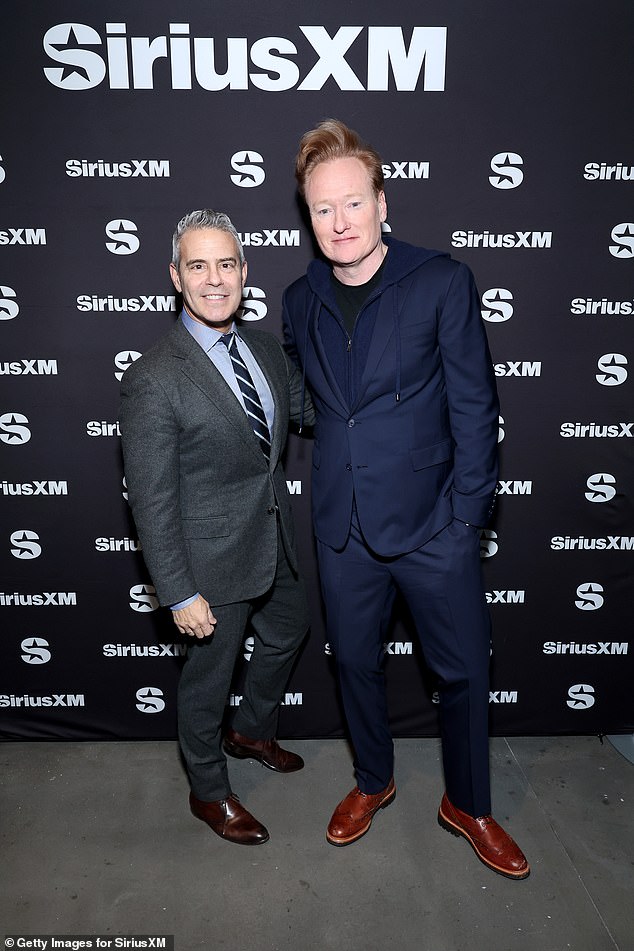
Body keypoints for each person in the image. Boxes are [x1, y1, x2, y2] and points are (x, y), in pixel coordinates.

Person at [282, 120, 529, 879]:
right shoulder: (297, 299)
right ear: (309, 216)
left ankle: (470, 802)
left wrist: (465, 519)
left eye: (353, 203)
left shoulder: (441, 280)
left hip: (433, 524)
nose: (340, 221)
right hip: (342, 525)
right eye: (323, 209)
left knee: (462, 671)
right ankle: (372, 779)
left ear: (382, 202)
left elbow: (474, 405)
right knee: (353, 661)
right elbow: (315, 403)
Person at [120, 209, 314, 846]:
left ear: (244, 273)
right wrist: (177, 591)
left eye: (225, 264)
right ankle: (208, 791)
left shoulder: (261, 348)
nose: (214, 279)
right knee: (207, 683)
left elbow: (311, 410)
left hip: (272, 538)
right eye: (197, 266)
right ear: (176, 277)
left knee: (288, 630)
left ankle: (252, 729)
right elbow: (150, 498)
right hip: (207, 560)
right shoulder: (154, 375)